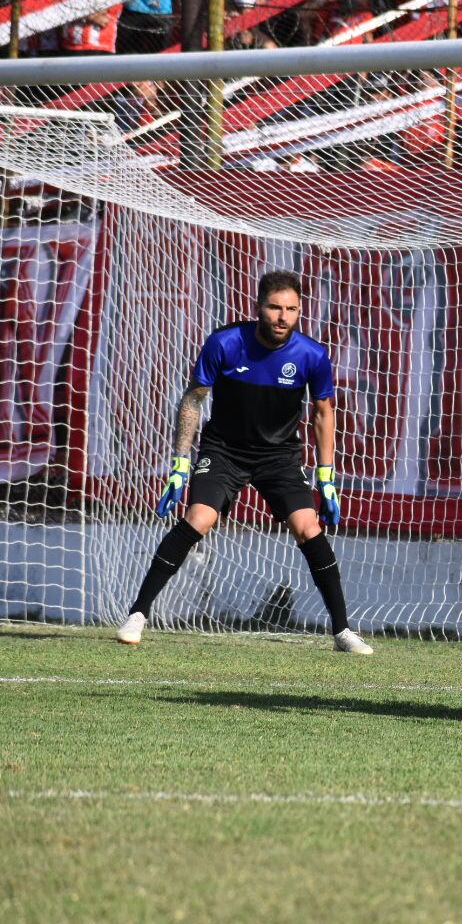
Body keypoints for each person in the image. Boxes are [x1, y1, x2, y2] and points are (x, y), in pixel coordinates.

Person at [115, 271, 373, 655]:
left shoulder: (312, 355)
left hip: (279, 456)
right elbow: (193, 399)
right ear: (258, 308)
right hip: (224, 451)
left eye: (292, 309)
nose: (283, 317)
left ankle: (343, 631)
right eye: (275, 307)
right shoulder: (225, 343)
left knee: (308, 527)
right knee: (200, 518)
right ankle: (138, 613)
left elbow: (323, 412)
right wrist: (180, 464)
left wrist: (326, 477)